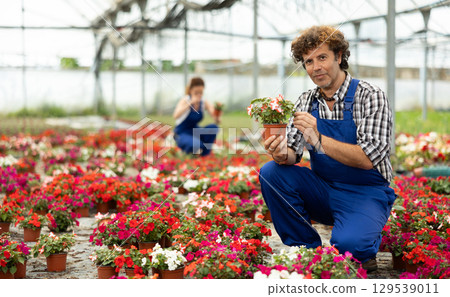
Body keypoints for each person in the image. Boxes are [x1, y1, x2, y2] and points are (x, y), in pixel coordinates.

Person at [259, 25, 396, 272]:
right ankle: (305, 249)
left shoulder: (369, 96)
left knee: (351, 248)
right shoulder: (306, 100)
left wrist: (318, 138)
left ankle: (364, 232)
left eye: (322, 57)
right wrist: (280, 152)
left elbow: (367, 159)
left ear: (339, 56)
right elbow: (292, 154)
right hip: (324, 189)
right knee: (271, 173)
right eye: (308, 61)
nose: (316, 67)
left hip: (365, 192)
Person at [173, 77, 220, 156]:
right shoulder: (185, 100)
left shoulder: (204, 102)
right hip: (182, 132)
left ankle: (205, 155)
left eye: (201, 92)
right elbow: (175, 115)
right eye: (196, 93)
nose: (199, 95)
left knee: (214, 127)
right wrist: (190, 103)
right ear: (191, 91)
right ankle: (186, 148)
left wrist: (218, 112)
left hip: (195, 131)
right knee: (196, 145)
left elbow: (216, 119)